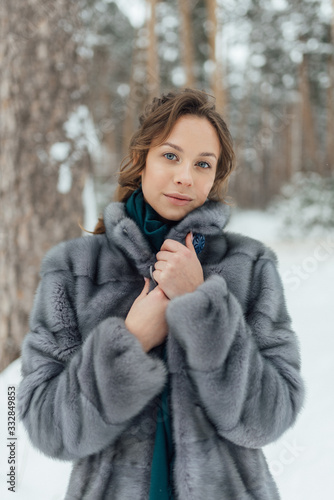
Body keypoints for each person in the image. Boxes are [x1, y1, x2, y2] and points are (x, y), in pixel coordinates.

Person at [17, 88, 305, 500]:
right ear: (141, 160)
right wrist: (128, 346)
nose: (185, 176)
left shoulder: (251, 265)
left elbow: (269, 418)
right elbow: (48, 428)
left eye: (203, 164)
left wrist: (203, 307)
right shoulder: (74, 270)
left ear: (214, 178)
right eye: (171, 156)